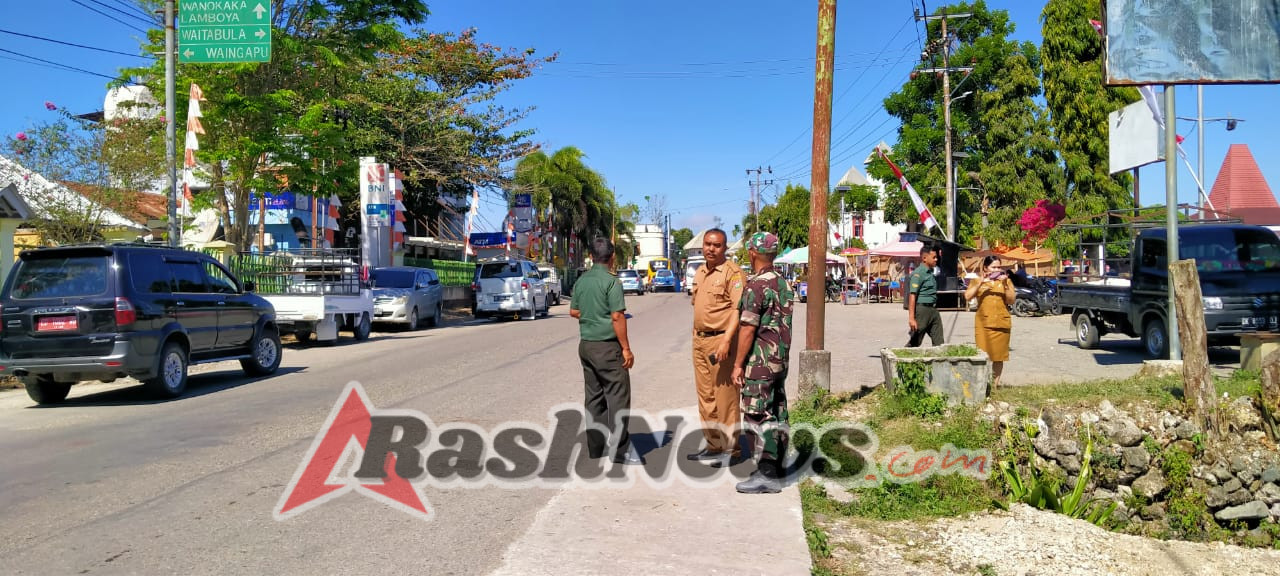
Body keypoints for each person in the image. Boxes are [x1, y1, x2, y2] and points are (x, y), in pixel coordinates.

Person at [569, 236, 642, 465]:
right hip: (608, 348)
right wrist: (626, 349)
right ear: (612, 257)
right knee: (618, 398)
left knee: (594, 397)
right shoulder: (612, 282)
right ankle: (620, 451)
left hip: (587, 345)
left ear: (591, 256)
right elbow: (617, 316)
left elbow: (574, 311)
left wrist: (593, 316)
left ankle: (596, 447)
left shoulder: (582, 281)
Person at [731, 232, 794, 494]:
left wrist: (737, 364)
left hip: (760, 360)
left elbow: (747, 328)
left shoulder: (756, 285)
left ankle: (766, 473)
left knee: (757, 413)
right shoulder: (783, 282)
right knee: (777, 408)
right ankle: (778, 465)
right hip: (780, 358)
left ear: (752, 253)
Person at [687, 228, 746, 464]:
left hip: (721, 342)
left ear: (725, 248)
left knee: (726, 398)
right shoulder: (701, 272)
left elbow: (737, 310)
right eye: (708, 244)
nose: (711, 248)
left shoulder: (733, 273)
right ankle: (713, 445)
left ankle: (731, 450)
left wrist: (725, 340)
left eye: (717, 245)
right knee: (706, 397)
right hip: (700, 341)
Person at [964, 256, 1015, 389]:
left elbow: (1011, 300)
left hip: (1001, 322)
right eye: (994, 267)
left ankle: (994, 386)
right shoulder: (976, 280)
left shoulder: (1006, 281)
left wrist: (1004, 285)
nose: (997, 270)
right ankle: (981, 385)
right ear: (986, 268)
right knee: (982, 355)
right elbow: (967, 296)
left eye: (999, 267)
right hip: (984, 324)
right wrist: (981, 282)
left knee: (999, 356)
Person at [907, 244, 943, 347]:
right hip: (922, 310)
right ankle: (902, 360)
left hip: (933, 310)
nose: (936, 259)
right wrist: (911, 318)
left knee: (939, 342)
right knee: (915, 342)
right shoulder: (918, 274)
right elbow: (912, 295)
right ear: (924, 258)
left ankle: (939, 361)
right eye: (934, 257)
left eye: (937, 257)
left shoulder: (930, 272)